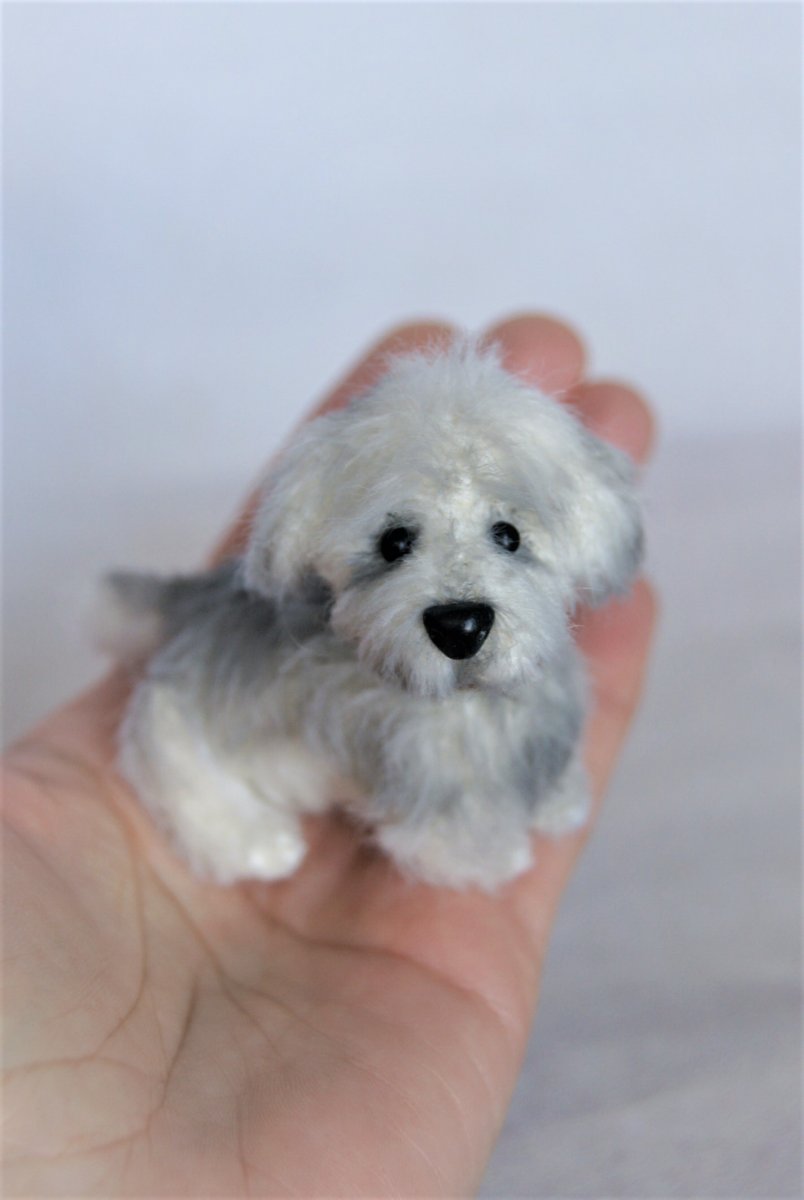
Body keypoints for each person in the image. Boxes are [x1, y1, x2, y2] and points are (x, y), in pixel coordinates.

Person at [2, 313, 656, 1197]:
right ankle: (206, 786)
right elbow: (450, 838)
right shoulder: (408, 728)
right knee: (437, 805)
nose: (460, 596)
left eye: (507, 536)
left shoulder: (554, 660)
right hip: (204, 710)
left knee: (537, 730)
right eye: (394, 544)